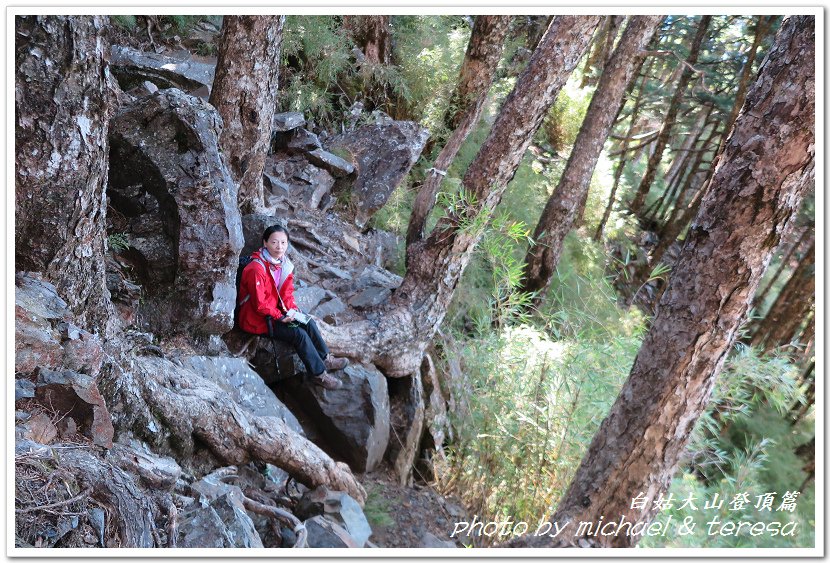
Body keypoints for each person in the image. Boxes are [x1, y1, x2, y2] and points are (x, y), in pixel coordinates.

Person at [238, 224, 348, 390]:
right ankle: (318, 374)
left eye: (283, 242)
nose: (279, 247)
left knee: (308, 321)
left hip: (276, 310)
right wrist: (280, 316)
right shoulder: (256, 269)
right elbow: (260, 304)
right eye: (274, 242)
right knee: (299, 335)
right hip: (256, 319)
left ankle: (324, 358)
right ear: (265, 243)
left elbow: (287, 292)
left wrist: (292, 310)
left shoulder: (282, 264)